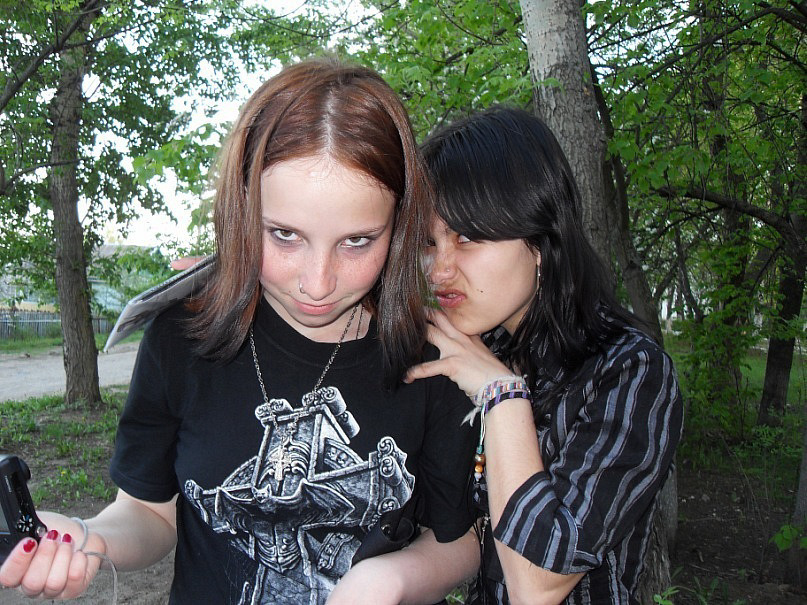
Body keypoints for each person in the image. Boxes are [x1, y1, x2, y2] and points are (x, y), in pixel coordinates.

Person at [0, 58, 480, 604]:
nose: (317, 283)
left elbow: (459, 540)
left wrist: (389, 580)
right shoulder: (181, 340)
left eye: (357, 241)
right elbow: (149, 512)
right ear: (241, 210)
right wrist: (88, 539)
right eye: (284, 235)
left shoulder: (434, 359)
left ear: (399, 225)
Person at [406, 106, 684, 604]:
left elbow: (538, 584)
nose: (439, 270)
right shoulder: (474, 351)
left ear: (539, 240)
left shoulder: (629, 372)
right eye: (429, 242)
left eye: (466, 238)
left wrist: (503, 396)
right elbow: (447, 527)